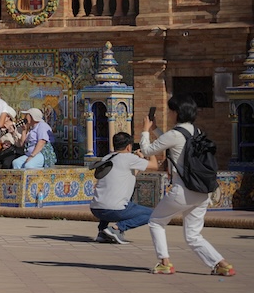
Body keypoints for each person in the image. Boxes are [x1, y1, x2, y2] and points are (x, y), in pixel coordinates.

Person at [137, 94, 236, 276]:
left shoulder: (175, 134)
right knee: (193, 235)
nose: (169, 113)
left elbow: (147, 150)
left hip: (182, 190)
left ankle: (164, 262)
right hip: (202, 191)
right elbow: (172, 144)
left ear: (176, 113)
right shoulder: (196, 132)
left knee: (156, 222)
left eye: (170, 110)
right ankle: (222, 264)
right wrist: (156, 129)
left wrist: (145, 130)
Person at [90, 132, 152, 244]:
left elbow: (130, 174)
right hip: (114, 210)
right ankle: (117, 228)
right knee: (153, 214)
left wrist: (139, 160)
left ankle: (102, 232)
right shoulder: (129, 158)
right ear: (129, 146)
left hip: (96, 208)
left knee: (109, 196)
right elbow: (155, 166)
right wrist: (150, 151)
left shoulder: (107, 157)